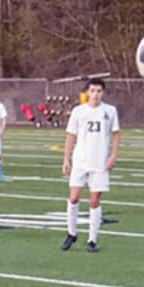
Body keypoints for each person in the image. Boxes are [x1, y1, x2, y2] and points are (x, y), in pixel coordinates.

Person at [60, 78, 120, 253]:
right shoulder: (78, 112)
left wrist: (113, 156)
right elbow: (71, 136)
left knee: (94, 200)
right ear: (87, 93)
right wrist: (66, 159)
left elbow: (116, 134)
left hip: (99, 163)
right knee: (73, 198)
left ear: (103, 93)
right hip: (80, 161)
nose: (95, 94)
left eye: (99, 91)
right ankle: (71, 233)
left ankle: (92, 240)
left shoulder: (110, 111)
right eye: (92, 91)